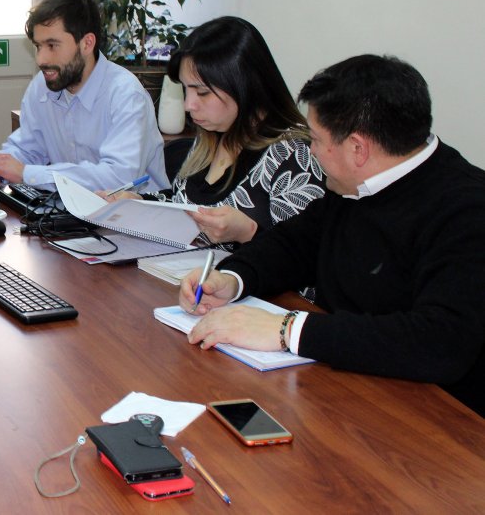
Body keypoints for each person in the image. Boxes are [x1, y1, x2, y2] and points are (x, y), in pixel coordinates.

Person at [181, 55, 485, 417]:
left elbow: (438, 341)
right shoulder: (355, 184)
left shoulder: (468, 211)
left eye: (315, 139)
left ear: (358, 148)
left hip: (432, 420)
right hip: (341, 389)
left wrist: (287, 330)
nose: (309, 151)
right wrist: (232, 278)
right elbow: (296, 244)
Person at [97, 16, 326, 246]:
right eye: (186, 90)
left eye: (202, 92)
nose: (189, 105)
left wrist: (248, 233)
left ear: (243, 84)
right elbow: (182, 204)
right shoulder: (212, 134)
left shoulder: (294, 155)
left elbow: (304, 261)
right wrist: (137, 203)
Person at [0, 0, 168, 192]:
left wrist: (25, 173)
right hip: (73, 214)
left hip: (133, 216)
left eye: (52, 45)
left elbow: (118, 179)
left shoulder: (126, 95)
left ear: (87, 43)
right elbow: (28, 149)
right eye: (38, 46)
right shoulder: (42, 85)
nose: (41, 59)